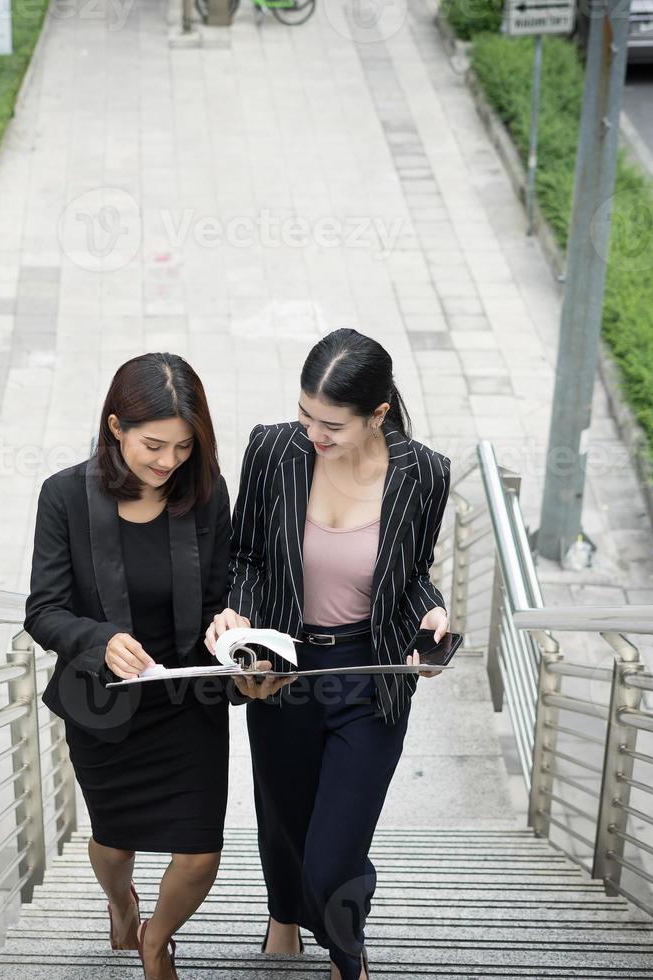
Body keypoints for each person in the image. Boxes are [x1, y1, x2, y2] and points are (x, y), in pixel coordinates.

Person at [206, 328, 453, 980]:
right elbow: (246, 556)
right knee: (283, 816)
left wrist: (428, 611)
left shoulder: (423, 473)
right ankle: (281, 915)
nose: (313, 434)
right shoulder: (271, 449)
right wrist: (237, 614)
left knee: (333, 853)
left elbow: (412, 572)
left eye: (332, 425)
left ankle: (347, 952)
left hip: (367, 679)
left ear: (377, 414)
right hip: (282, 670)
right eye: (304, 415)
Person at [25, 352, 249, 980]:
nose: (168, 462)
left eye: (183, 447)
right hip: (104, 705)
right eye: (154, 444)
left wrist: (228, 623)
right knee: (113, 841)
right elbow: (43, 611)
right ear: (115, 426)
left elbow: (219, 594)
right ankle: (121, 903)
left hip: (185, 698)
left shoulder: (205, 494)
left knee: (201, 854)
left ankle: (158, 937)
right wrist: (99, 642)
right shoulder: (65, 496)